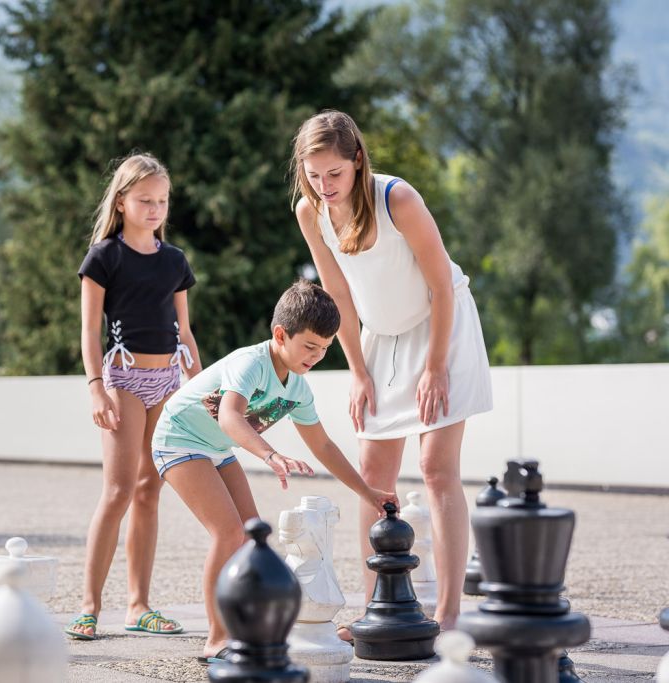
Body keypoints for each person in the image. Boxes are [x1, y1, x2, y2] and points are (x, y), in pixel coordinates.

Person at [290, 110, 493, 637]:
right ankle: (376, 609)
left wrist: (435, 367)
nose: (324, 186)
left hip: (441, 325)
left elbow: (442, 285)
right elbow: (337, 295)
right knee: (372, 476)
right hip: (380, 338)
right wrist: (358, 370)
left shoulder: (397, 198)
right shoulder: (310, 212)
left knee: (435, 467)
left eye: (334, 173)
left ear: (357, 160)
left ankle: (448, 616)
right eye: (313, 176)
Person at [151, 280, 397, 663]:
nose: (316, 357)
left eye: (325, 349)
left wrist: (368, 493)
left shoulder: (298, 387)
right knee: (229, 533)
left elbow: (324, 447)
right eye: (309, 346)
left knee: (253, 538)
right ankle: (216, 639)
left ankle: (247, 627)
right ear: (280, 334)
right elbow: (231, 416)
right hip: (177, 439)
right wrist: (270, 455)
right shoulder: (250, 363)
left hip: (215, 447)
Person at [67, 153, 202, 640]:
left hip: (168, 380)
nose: (154, 209)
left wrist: (200, 387)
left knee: (150, 490)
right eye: (145, 200)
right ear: (122, 201)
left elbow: (184, 332)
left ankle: (138, 605)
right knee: (119, 490)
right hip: (122, 381)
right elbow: (88, 332)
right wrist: (95, 388)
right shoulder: (103, 257)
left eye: (162, 201)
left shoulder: (175, 261)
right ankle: (88, 606)